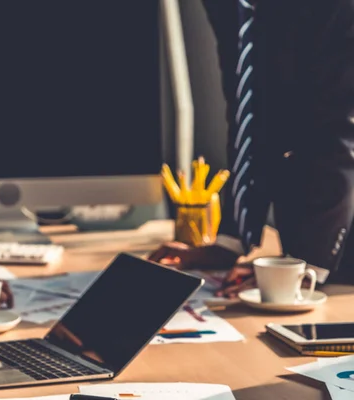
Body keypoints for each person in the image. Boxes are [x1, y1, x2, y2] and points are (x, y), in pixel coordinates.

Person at [150, 0, 354, 295]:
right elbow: (248, 110)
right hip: (302, 245)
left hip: (335, 245)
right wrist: (230, 241)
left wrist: (304, 264)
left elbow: (341, 129)